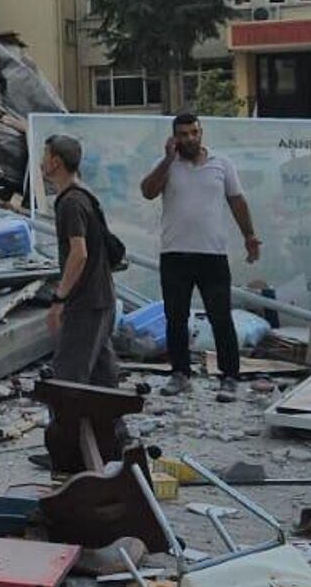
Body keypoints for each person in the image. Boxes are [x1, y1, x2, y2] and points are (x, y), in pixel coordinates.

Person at [138, 112, 261, 396]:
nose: (190, 139)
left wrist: (249, 236)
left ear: (201, 133)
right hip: (175, 253)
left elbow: (237, 201)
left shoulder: (221, 163)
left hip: (212, 254)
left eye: (194, 133)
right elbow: (148, 192)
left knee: (221, 317)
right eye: (183, 134)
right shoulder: (166, 165)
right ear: (174, 137)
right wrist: (167, 159)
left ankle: (229, 376)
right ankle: (180, 374)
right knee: (175, 317)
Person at [42, 134, 119, 388]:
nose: (41, 162)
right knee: (102, 377)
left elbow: (79, 253)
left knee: (68, 379)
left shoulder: (71, 203)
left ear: (56, 162)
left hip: (85, 302)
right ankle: (110, 416)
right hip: (101, 297)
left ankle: (69, 418)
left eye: (45, 156)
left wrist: (59, 299)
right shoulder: (84, 196)